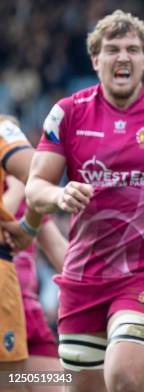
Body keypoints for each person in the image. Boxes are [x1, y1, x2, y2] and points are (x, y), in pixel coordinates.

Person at [25, 10, 144, 392]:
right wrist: (60, 194)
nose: (123, 57)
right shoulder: (67, 113)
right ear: (95, 60)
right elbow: (35, 187)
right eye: (112, 50)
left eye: (132, 49)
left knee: (124, 378)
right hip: (82, 278)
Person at [4, 176, 67, 392]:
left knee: (58, 385)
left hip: (30, 316)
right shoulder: (18, 189)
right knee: (10, 385)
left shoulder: (28, 197)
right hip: (3, 316)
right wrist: (17, 190)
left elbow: (59, 250)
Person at [0, 115, 44, 392]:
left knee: (63, 381)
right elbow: (38, 173)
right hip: (12, 298)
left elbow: (62, 253)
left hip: (33, 318)